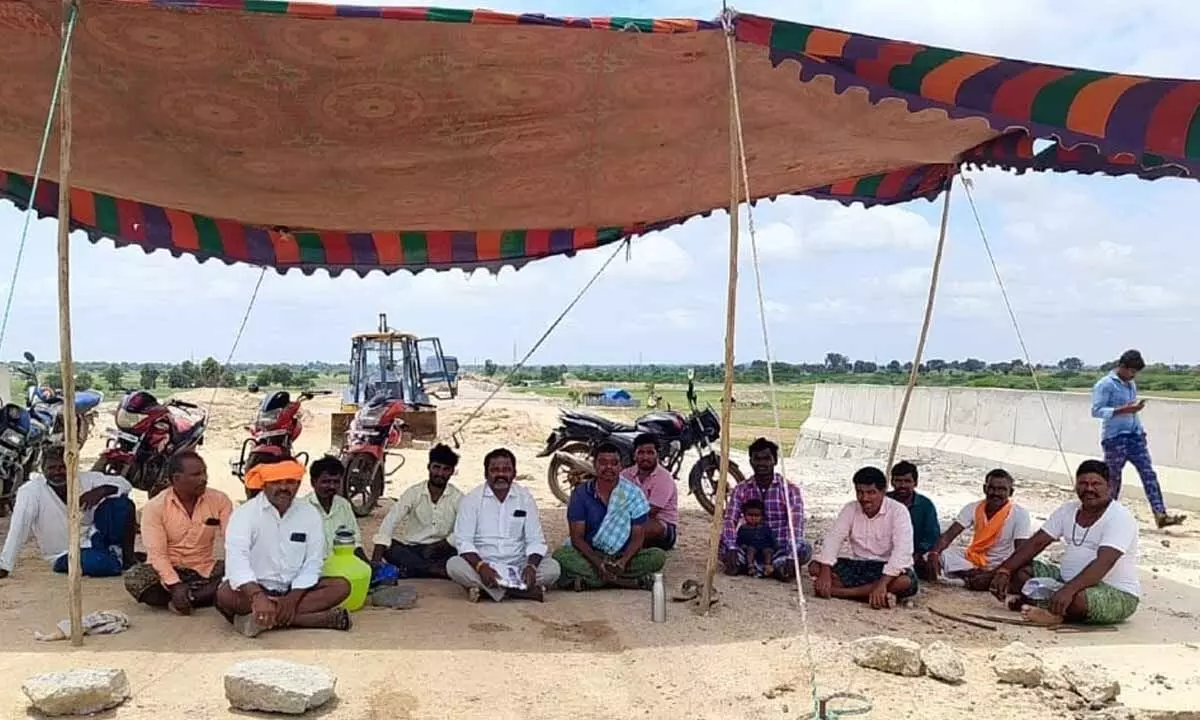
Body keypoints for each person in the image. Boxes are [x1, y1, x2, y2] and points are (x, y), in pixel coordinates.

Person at [989, 460, 1141, 626]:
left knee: (1078, 600)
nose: (1089, 489)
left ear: (1109, 486)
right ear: (1076, 486)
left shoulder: (1120, 517)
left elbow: (1104, 562)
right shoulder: (1068, 510)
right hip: (1065, 580)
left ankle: (1052, 613)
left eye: (1096, 484)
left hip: (1113, 591)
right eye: (1083, 483)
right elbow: (1036, 543)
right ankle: (1047, 604)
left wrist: (1068, 591)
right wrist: (1004, 570)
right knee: (1021, 572)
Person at [215, 458, 352, 637]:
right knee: (225, 594)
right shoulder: (245, 514)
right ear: (264, 484)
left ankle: (260, 620)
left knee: (341, 586)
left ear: (298, 484)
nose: (284, 488)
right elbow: (237, 561)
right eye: (276, 482)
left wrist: (292, 599)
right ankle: (310, 620)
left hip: (296, 591)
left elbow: (313, 562)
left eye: (290, 482)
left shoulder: (309, 513)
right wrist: (257, 596)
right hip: (255, 590)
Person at [0, 445, 135, 579]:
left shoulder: (87, 479)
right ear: (43, 469)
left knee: (122, 505)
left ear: (72, 466)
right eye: (52, 468)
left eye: (63, 467)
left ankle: (125, 558)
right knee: (101, 563)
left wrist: (103, 490)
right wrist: (5, 565)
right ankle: (116, 557)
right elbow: (19, 527)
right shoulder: (31, 491)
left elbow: (125, 485)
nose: (58, 472)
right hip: (64, 553)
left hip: (96, 539)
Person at [124, 451, 233, 612]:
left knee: (237, 572)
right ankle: (201, 596)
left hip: (205, 569)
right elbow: (157, 555)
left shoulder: (220, 500)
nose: (204, 479)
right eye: (196, 474)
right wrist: (175, 585)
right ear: (177, 479)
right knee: (135, 577)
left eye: (204, 472)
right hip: (167, 570)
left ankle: (189, 598)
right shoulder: (156, 507)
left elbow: (233, 541)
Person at [447, 448, 559, 602]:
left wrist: (531, 567)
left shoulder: (525, 498)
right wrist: (481, 567)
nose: (501, 475)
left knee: (552, 569)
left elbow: (535, 540)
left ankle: (490, 591)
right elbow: (464, 541)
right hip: (483, 563)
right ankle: (520, 592)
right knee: (454, 565)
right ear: (486, 474)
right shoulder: (472, 500)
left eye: (506, 470)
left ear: (514, 473)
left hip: (518, 564)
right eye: (495, 470)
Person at [1091, 349, 1185, 528]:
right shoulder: (1105, 384)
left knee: (1148, 474)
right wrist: (1121, 410)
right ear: (1122, 367)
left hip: (1134, 437)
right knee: (1113, 479)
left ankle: (1160, 514)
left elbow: (1132, 412)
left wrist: (1140, 431)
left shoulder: (1130, 385)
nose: (1133, 375)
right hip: (1115, 438)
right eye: (1132, 371)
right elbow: (1096, 411)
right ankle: (1106, 516)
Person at [554, 442, 666, 590]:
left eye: (614, 463)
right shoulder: (581, 494)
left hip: (621, 557)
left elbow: (638, 537)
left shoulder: (633, 494)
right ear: (594, 465)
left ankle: (594, 580)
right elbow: (577, 538)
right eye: (603, 463)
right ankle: (625, 582)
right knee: (561, 556)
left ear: (621, 467)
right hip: (590, 554)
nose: (608, 468)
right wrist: (598, 562)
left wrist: (623, 562)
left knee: (657, 556)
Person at [809, 466, 917, 609]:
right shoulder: (850, 508)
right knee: (816, 567)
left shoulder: (898, 511)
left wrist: (883, 584)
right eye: (860, 492)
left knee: (905, 581)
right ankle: (872, 595)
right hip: (859, 565)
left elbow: (902, 552)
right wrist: (825, 571)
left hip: (887, 568)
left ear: (883, 491)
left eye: (871, 493)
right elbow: (834, 538)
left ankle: (840, 593)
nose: (865, 498)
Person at [925, 468, 1031, 591]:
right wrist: (934, 554)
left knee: (1023, 574)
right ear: (984, 489)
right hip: (973, 560)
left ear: (1011, 492)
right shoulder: (973, 508)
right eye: (992, 488)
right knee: (936, 555)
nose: (995, 493)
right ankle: (975, 576)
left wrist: (1000, 572)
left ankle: (972, 578)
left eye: (1002, 489)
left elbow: (1021, 551)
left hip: (1002, 564)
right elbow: (949, 535)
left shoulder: (1020, 514)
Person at [720, 437, 809, 580]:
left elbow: (796, 527)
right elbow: (730, 520)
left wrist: (792, 555)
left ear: (775, 461)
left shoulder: (790, 490)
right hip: (748, 549)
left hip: (780, 548)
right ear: (750, 461)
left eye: (767, 459)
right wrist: (731, 547)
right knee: (721, 542)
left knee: (804, 548)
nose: (762, 464)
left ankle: (774, 566)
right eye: (757, 459)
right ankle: (765, 567)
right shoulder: (741, 489)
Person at [371, 443, 463, 578]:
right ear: (429, 467)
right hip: (414, 549)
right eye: (436, 467)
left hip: (444, 550)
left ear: (452, 471)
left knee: (462, 554)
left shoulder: (458, 497)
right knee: (390, 547)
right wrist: (375, 561)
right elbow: (391, 520)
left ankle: (415, 570)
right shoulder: (414, 492)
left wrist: (444, 544)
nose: (440, 473)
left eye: (446, 469)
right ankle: (434, 571)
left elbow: (465, 528)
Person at [618, 434, 678, 551]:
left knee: (655, 528)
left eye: (650, 453)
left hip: (662, 528)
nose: (645, 457)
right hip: (628, 522)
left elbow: (650, 511)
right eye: (641, 453)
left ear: (657, 455)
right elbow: (618, 502)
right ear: (634, 455)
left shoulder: (664, 478)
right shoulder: (624, 475)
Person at [304, 455, 368, 564]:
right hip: (313, 568)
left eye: (336, 482)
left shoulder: (344, 505)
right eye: (326, 482)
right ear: (313, 482)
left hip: (342, 565)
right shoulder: (303, 508)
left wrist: (367, 565)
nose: (332, 486)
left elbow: (355, 542)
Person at [888, 461, 941, 581]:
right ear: (892, 482)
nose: (902, 485)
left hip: (916, 554)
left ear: (915, 483)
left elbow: (932, 536)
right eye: (898, 481)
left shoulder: (925, 505)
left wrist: (917, 554)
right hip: (886, 553)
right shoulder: (884, 501)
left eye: (907, 481)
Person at [736, 499, 777, 578]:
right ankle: (750, 566)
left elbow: (771, 538)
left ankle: (767, 566)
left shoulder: (765, 527)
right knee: (750, 550)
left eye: (756, 516)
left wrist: (774, 546)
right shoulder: (743, 528)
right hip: (751, 548)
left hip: (764, 547)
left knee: (768, 551)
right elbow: (740, 539)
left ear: (762, 516)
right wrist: (742, 545)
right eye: (750, 515)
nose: (753, 518)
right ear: (744, 515)